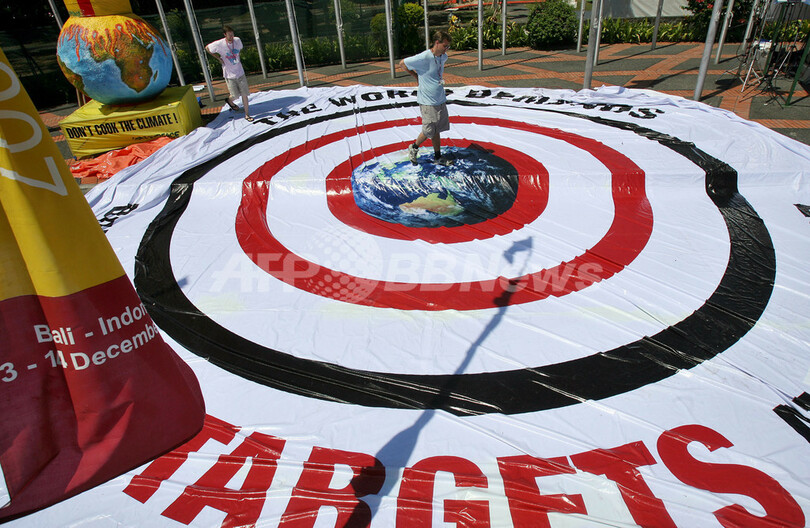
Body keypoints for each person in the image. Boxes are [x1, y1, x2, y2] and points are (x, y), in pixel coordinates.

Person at [400, 30, 452, 166]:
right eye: (445, 46)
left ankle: (437, 156)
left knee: (436, 129)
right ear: (437, 43)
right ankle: (414, 147)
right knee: (428, 130)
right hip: (428, 101)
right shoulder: (424, 57)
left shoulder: (443, 57)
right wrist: (416, 76)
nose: (446, 49)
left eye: (448, 46)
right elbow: (402, 63)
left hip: (439, 98)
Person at [206, 25, 253, 122]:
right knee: (235, 95)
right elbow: (207, 48)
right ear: (225, 35)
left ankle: (247, 114)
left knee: (244, 94)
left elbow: (239, 50)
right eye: (229, 35)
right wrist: (218, 58)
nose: (231, 36)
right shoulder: (219, 44)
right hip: (229, 74)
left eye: (232, 34)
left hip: (240, 72)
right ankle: (229, 101)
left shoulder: (237, 40)